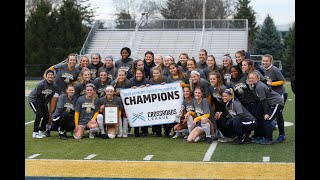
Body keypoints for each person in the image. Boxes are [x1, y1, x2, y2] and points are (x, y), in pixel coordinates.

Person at [45, 53, 79, 136]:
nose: (72, 61)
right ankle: (48, 127)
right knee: (52, 109)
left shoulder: (76, 71)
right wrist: (46, 76)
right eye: (70, 60)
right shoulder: (62, 65)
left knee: (66, 109)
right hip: (56, 90)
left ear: (76, 61)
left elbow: (74, 81)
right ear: (68, 60)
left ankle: (64, 127)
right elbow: (52, 68)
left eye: (74, 60)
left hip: (65, 92)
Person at [247, 71, 285, 144]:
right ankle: (263, 136)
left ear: (258, 79)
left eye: (253, 78)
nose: (251, 79)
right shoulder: (254, 85)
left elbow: (263, 101)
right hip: (271, 103)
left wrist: (266, 113)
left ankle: (269, 139)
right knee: (262, 118)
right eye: (250, 78)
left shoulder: (259, 86)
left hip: (276, 103)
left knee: (267, 120)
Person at [29, 69, 59, 138]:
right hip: (34, 100)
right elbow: (37, 95)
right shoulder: (41, 84)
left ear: (53, 76)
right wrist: (41, 105)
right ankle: (35, 132)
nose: (50, 76)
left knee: (46, 116)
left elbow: (50, 96)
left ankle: (41, 131)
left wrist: (45, 103)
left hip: (43, 101)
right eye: (49, 75)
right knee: (39, 114)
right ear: (46, 76)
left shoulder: (54, 86)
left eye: (52, 75)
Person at [126, 69, 150, 137]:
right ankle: (136, 131)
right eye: (137, 73)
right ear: (135, 74)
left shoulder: (146, 80)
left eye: (140, 74)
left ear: (142, 74)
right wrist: (131, 89)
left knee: (145, 115)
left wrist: (147, 87)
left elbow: (151, 90)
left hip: (144, 102)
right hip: (135, 102)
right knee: (136, 115)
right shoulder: (131, 81)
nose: (138, 75)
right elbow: (126, 91)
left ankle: (144, 131)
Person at [149, 66, 169, 137]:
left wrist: (166, 86)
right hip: (155, 102)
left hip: (164, 101)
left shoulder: (165, 79)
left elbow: (170, 88)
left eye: (157, 73)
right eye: (154, 73)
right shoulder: (151, 80)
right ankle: (157, 132)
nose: (156, 74)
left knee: (165, 115)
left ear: (160, 73)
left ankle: (167, 132)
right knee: (156, 115)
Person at [110, 69, 130, 137]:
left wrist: (118, 93)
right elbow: (110, 92)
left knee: (125, 114)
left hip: (125, 100)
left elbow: (129, 93)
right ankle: (119, 132)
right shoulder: (113, 83)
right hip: (116, 100)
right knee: (118, 114)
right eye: (119, 75)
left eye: (123, 75)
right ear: (117, 76)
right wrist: (119, 93)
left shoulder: (128, 82)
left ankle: (125, 132)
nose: (121, 77)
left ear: (125, 76)